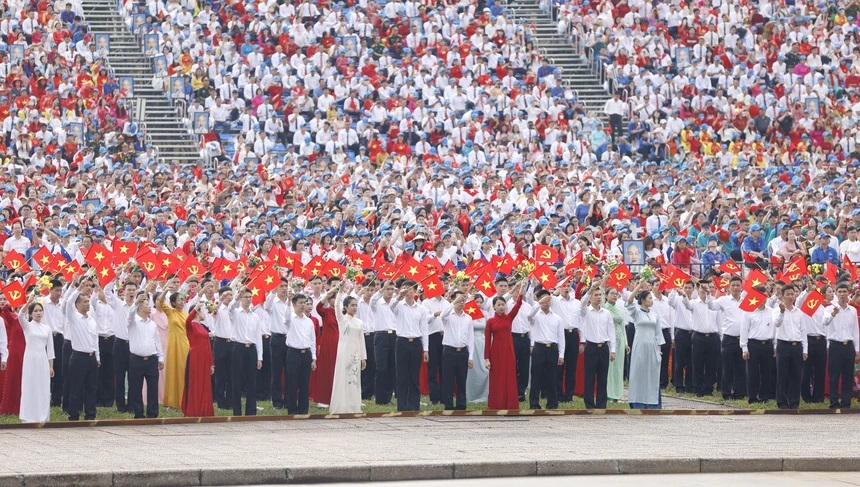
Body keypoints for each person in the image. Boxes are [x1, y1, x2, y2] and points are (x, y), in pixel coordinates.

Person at [390, 279, 429, 412]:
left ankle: (413, 405)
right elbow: (392, 305)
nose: (407, 290)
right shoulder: (399, 305)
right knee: (402, 376)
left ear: (415, 291)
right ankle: (402, 406)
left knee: (414, 376)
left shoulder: (421, 309)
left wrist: (426, 349)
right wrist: (399, 295)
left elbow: (424, 330)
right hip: (402, 342)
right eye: (404, 288)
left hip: (416, 343)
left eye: (410, 288)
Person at [485, 283, 525, 410]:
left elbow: (518, 304)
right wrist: (487, 358)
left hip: (508, 351)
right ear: (494, 307)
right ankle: (496, 404)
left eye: (503, 304)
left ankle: (510, 404)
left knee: (509, 377)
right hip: (496, 352)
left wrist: (522, 289)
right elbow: (487, 340)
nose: (501, 307)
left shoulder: (509, 318)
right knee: (497, 377)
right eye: (499, 305)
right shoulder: (490, 321)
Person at [64, 281, 100, 421]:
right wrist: (78, 288)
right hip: (78, 357)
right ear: (77, 305)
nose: (87, 304)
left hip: (91, 357)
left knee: (92, 387)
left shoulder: (91, 320)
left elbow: (95, 339)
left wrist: (97, 357)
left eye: (88, 301)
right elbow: (68, 303)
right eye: (84, 301)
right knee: (76, 387)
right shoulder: (73, 318)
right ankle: (74, 414)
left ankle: (90, 414)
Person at [707, 276, 747, 400]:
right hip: (728, 339)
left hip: (742, 339)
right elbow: (712, 306)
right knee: (727, 368)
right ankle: (726, 393)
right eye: (733, 285)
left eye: (738, 285)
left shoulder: (746, 300)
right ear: (729, 287)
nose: (735, 288)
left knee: (741, 368)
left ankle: (739, 393)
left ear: (741, 287)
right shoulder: (724, 300)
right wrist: (709, 294)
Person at [329, 283, 367, 414]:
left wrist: (363, 357)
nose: (355, 307)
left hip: (356, 353)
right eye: (352, 305)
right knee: (344, 377)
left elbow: (361, 340)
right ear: (345, 307)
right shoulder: (342, 320)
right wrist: (340, 291)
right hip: (344, 352)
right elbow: (336, 305)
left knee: (354, 379)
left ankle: (353, 406)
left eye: (356, 305)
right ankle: (342, 406)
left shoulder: (359, 322)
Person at [625, 282, 664, 409]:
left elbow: (658, 335)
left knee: (652, 373)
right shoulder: (637, 313)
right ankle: (637, 401)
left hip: (652, 347)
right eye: (649, 298)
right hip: (640, 346)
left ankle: (653, 402)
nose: (652, 301)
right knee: (639, 373)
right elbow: (629, 301)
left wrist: (659, 352)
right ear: (642, 300)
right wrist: (639, 286)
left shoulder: (654, 315)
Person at [821, 283, 860, 409]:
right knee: (834, 376)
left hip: (848, 346)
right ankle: (833, 402)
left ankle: (846, 402)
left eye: (844, 292)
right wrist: (833, 314)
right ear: (836, 293)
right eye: (840, 292)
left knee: (848, 376)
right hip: (835, 346)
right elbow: (825, 322)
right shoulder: (829, 308)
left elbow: (855, 331)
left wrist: (857, 348)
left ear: (848, 293)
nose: (842, 294)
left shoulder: (852, 310)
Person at [127, 292, 165, 419]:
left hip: (151, 359)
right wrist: (136, 301)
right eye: (147, 305)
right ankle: (138, 413)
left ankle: (152, 413)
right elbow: (130, 315)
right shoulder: (133, 322)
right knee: (136, 387)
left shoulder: (152, 323)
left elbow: (157, 341)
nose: (150, 307)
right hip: (136, 359)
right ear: (140, 308)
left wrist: (160, 357)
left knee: (153, 387)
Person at [527, 287, 565, 410]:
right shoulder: (535, 316)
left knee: (552, 377)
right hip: (539, 348)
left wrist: (561, 355)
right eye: (544, 300)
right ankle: (534, 403)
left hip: (552, 349)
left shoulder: (557, 318)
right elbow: (529, 315)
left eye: (548, 299)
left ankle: (552, 403)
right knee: (536, 377)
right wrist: (539, 302)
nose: (546, 302)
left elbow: (561, 338)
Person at [580, 284, 616, 409]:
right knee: (589, 377)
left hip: (604, 347)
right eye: (596, 295)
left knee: (603, 377)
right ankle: (589, 404)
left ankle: (601, 405)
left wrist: (613, 350)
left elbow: (611, 332)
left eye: (600, 294)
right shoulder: (586, 311)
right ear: (590, 297)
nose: (598, 297)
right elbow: (582, 304)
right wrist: (589, 290)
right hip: (591, 347)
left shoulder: (606, 313)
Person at [228, 287, 263, 416]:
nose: (248, 299)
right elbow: (231, 308)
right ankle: (237, 411)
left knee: (252, 381)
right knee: (237, 380)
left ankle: (251, 411)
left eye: (249, 297)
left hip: (251, 349)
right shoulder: (236, 312)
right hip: (238, 348)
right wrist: (237, 296)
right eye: (245, 297)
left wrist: (260, 357)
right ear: (241, 299)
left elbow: (258, 337)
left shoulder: (255, 317)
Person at [18, 300, 54, 423]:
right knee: (30, 385)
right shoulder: (27, 326)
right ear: (31, 313)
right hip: (30, 359)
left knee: (43, 387)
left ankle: (42, 416)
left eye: (40, 310)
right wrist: (28, 301)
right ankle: (29, 416)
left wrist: (51, 366)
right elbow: (20, 316)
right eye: (36, 311)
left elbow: (50, 349)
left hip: (42, 359)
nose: (38, 313)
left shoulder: (47, 329)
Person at [438, 291, 475, 410]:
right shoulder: (448, 315)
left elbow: (470, 338)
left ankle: (461, 405)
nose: (462, 303)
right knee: (448, 380)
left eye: (463, 300)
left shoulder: (468, 318)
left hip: (463, 352)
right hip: (449, 351)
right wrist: (454, 302)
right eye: (459, 300)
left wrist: (471, 357)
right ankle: (448, 405)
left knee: (461, 379)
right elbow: (442, 314)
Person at [683, 282, 720, 397]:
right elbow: (687, 305)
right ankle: (697, 389)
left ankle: (708, 389)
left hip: (713, 337)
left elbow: (719, 320)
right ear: (697, 290)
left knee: (711, 364)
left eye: (706, 287)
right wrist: (684, 296)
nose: (704, 290)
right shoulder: (693, 303)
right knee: (697, 364)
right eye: (701, 288)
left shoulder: (715, 303)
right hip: (698, 337)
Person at [740, 286, 776, 404]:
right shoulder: (748, 311)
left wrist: (775, 346)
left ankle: (764, 396)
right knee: (752, 372)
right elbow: (744, 330)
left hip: (767, 344)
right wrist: (744, 347)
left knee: (766, 372)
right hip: (753, 344)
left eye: (765, 296)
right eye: (761, 296)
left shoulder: (771, 311)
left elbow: (775, 330)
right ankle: (752, 396)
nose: (764, 299)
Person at [774, 285, 808, 410]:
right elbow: (777, 323)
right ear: (782, 296)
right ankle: (782, 402)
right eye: (787, 294)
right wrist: (782, 312)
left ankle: (794, 402)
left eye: (792, 294)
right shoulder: (777, 310)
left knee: (796, 375)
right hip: (783, 345)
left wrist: (805, 350)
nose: (790, 297)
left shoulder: (799, 312)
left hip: (797, 346)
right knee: (782, 375)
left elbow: (803, 332)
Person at [283, 291, 317, 414]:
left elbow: (312, 341)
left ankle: (303, 410)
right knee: (292, 383)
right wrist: (288, 302)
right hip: (293, 353)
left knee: (304, 383)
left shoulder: (309, 321)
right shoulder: (290, 319)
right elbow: (286, 318)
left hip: (306, 354)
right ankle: (292, 410)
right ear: (294, 304)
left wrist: (314, 358)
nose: (303, 305)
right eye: (300, 303)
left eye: (305, 303)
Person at [157, 282, 189, 410]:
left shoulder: (186, 315)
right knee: (172, 371)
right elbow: (160, 301)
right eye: (179, 300)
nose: (181, 302)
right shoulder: (171, 313)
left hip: (184, 344)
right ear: (174, 303)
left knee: (183, 371)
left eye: (182, 300)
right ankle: (172, 402)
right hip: (172, 345)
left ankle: (183, 400)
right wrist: (166, 289)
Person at [182, 303, 214, 417]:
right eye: (202, 311)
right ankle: (194, 410)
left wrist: (211, 363)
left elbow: (208, 345)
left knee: (205, 384)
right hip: (195, 357)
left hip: (205, 358)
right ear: (197, 313)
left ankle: (205, 410)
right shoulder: (191, 325)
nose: (204, 313)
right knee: (196, 383)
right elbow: (187, 320)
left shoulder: (202, 326)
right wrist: (195, 308)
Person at [552, 278, 581, 403]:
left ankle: (569, 396)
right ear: (559, 287)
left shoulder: (576, 302)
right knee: (559, 366)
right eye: (564, 286)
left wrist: (582, 341)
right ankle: (558, 394)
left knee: (571, 367)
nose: (566, 288)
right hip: (560, 334)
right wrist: (556, 290)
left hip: (573, 334)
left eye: (568, 285)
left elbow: (581, 321)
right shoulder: (555, 301)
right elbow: (546, 295)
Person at [313, 279, 341, 407]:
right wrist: (329, 294)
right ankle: (323, 399)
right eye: (333, 299)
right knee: (327, 369)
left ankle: (338, 397)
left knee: (339, 370)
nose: (335, 301)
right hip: (328, 344)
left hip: (341, 344)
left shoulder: (343, 313)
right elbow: (318, 307)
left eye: (337, 299)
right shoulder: (326, 312)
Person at [265, 279, 290, 409]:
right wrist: (272, 292)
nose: (284, 288)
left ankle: (288, 399)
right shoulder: (273, 302)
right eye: (281, 286)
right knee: (276, 371)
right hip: (277, 339)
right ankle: (277, 401)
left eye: (286, 286)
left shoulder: (291, 301)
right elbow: (266, 306)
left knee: (290, 371)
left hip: (290, 339)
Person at [371, 280, 397, 405]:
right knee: (381, 368)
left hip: (395, 336)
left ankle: (387, 398)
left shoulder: (395, 303)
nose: (390, 292)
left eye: (392, 289)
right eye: (388, 289)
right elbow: (373, 300)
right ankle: (379, 398)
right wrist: (381, 290)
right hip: (381, 336)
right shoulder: (377, 303)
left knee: (392, 368)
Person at [0, 295, 25, 416]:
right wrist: (12, 301)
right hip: (12, 350)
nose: (2, 301)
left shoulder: (24, 319)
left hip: (20, 351)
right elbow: (4, 309)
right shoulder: (10, 317)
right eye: (1, 299)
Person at [602, 287, 628, 402]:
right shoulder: (604, 307)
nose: (614, 295)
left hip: (620, 339)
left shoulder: (619, 308)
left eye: (616, 294)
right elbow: (601, 290)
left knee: (618, 367)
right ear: (606, 296)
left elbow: (622, 326)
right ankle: (608, 394)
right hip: (609, 340)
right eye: (612, 293)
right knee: (609, 367)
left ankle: (618, 395)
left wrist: (626, 342)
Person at [465, 293, 488, 404]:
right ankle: (471, 394)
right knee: (472, 368)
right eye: (476, 302)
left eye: (480, 302)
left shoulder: (486, 314)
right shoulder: (468, 314)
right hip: (472, 342)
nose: (478, 304)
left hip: (483, 342)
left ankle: (484, 394)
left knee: (484, 368)